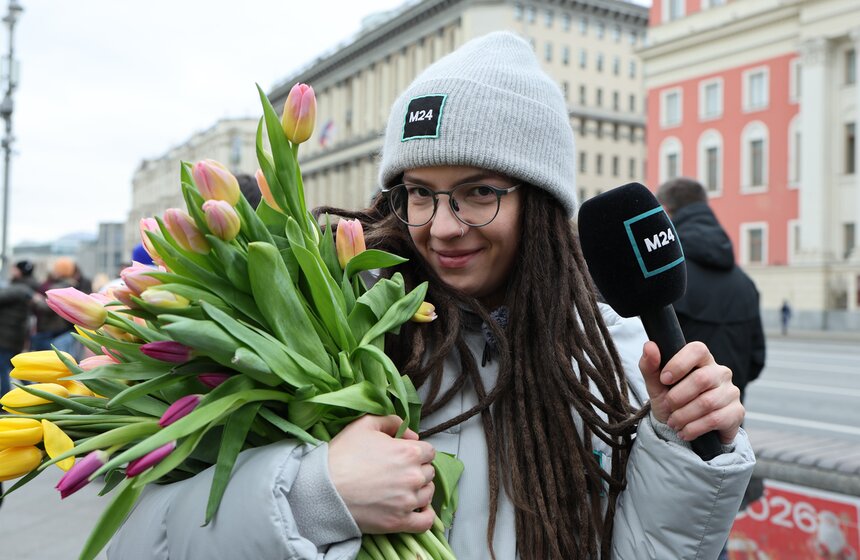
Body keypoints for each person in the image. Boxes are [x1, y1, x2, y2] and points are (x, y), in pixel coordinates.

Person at [110, 32, 754, 559]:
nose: (442, 226)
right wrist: (313, 493)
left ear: (540, 206)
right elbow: (141, 543)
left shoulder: (609, 349)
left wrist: (685, 452)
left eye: (479, 192)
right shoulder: (323, 328)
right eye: (420, 192)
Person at [656, 177, 766, 403]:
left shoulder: (666, 279)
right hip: (731, 419)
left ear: (665, 211)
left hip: (677, 417)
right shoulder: (745, 283)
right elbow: (757, 360)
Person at [0, 260, 39, 398]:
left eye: (14, 269)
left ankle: (3, 400)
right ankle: (36, 394)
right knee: (16, 368)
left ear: (20, 271)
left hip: (6, 336)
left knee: (2, 370)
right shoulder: (27, 287)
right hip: (14, 335)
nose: (11, 271)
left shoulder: (18, 288)